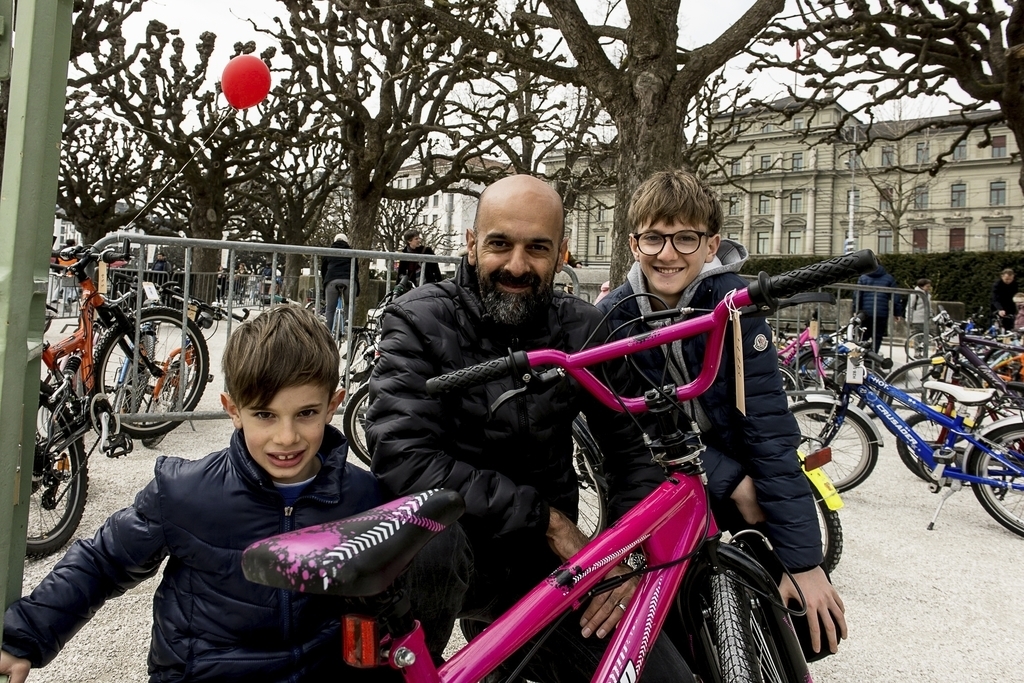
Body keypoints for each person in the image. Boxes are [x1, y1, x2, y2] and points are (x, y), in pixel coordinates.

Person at [365, 174, 692, 681]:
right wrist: (547, 520)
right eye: (500, 244)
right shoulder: (417, 320)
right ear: (472, 245)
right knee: (428, 539)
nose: (516, 266)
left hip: (548, 569)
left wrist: (624, 551)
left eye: (536, 248)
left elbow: (636, 448)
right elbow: (404, 459)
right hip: (459, 553)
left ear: (561, 253)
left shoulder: (585, 327)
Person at [0, 306, 385, 683]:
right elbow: (103, 561)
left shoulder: (364, 499)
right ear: (233, 410)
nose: (286, 437)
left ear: (333, 406)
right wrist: (23, 639)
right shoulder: (185, 492)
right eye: (265, 415)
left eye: (306, 413)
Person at [595, 169, 847, 658]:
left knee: (810, 630)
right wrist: (730, 480)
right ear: (633, 244)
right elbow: (631, 431)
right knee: (670, 620)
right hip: (665, 475)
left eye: (685, 238)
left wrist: (805, 562)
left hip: (739, 464)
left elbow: (769, 429)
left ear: (711, 245)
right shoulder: (616, 316)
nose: (667, 254)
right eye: (653, 238)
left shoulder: (736, 307)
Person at [855, 263, 904, 353]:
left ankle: (862, 357)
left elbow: (857, 295)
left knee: (864, 335)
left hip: (865, 312)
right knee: (877, 336)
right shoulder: (888, 278)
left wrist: (856, 310)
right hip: (881, 312)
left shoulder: (863, 278)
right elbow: (895, 296)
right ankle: (874, 357)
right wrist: (897, 312)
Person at [321, 232, 359, 337]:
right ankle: (348, 326)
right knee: (349, 305)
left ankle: (327, 335)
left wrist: (325, 282)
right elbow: (356, 269)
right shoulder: (352, 252)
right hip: (349, 279)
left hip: (332, 280)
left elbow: (324, 270)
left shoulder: (328, 252)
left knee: (330, 309)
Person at [992, 268, 1018, 332]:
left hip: (1010, 309)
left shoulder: (1014, 284)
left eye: (1010, 279)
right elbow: (995, 299)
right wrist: (1000, 309)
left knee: (1010, 328)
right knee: (997, 328)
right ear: (1002, 276)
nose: (1008, 281)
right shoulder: (997, 285)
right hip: (998, 308)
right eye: (1006, 279)